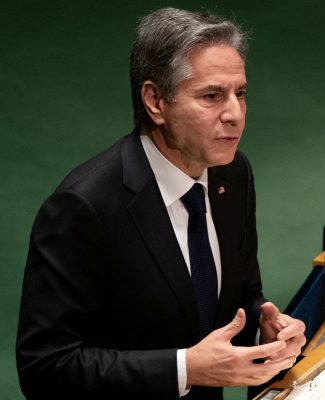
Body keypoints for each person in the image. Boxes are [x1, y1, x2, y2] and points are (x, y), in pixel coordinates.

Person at [16, 7, 305, 399]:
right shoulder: (84, 206)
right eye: (212, 96)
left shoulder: (233, 175)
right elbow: (45, 368)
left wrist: (262, 329)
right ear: (155, 101)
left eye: (240, 94)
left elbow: (241, 298)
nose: (235, 114)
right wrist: (184, 369)